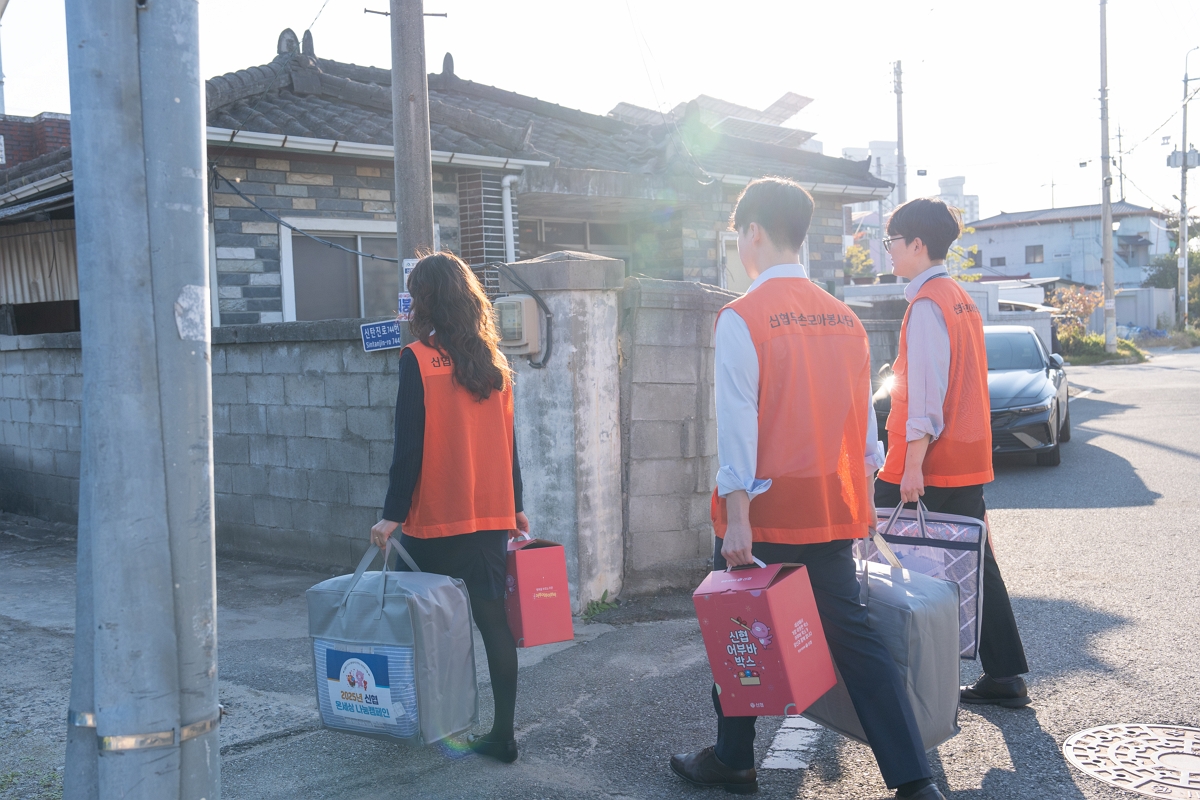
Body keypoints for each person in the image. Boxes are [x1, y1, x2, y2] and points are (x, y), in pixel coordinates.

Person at [669, 178, 947, 800]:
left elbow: (739, 421)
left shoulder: (743, 317)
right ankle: (913, 779)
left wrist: (736, 511)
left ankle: (735, 757)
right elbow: (864, 420)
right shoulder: (845, 319)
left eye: (738, 233)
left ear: (754, 232)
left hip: (764, 512)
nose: (739, 243)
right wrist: (869, 493)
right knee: (855, 641)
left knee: (737, 629)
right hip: (832, 503)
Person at [370, 252, 528, 763]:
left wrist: (393, 513)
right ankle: (503, 736)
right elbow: (510, 444)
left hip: (433, 520)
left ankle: (421, 724)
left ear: (426, 301)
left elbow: (408, 446)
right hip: (487, 519)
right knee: (492, 623)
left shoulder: (417, 358)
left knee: (413, 623)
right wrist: (517, 506)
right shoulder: (495, 364)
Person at [873, 197, 1031, 707]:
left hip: (927, 463)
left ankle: (909, 675)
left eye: (891, 243)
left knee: (893, 554)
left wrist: (912, 465)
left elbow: (925, 392)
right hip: (964, 458)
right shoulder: (958, 296)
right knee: (973, 560)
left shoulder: (925, 306)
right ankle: (1004, 674)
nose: (888, 254)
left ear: (917, 244)